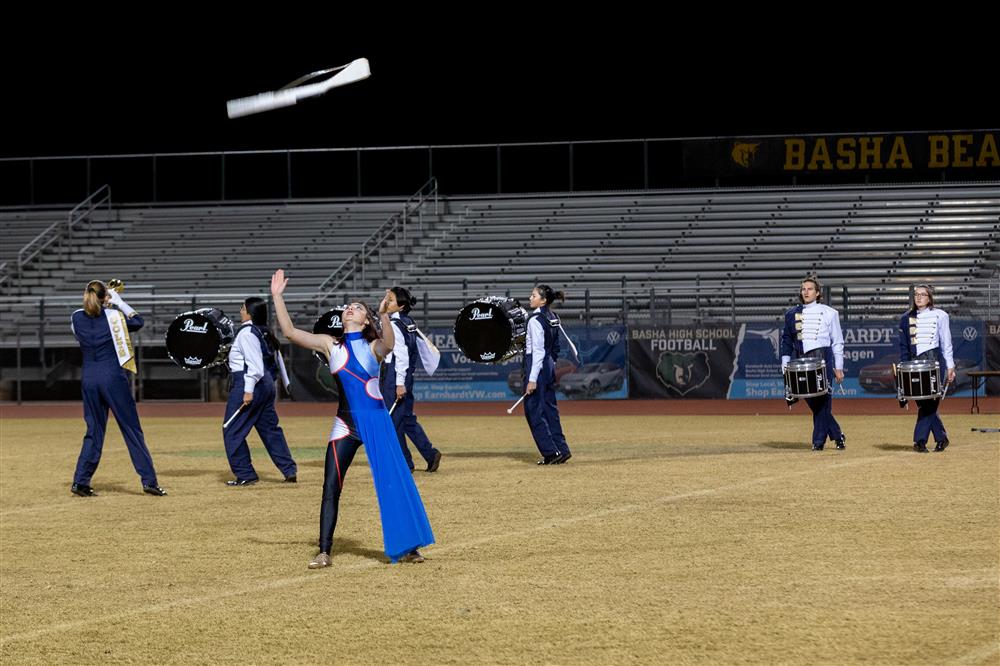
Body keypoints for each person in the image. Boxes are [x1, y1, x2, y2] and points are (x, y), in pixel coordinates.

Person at [269, 270, 434, 568]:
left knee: (393, 482)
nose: (349, 308)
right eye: (348, 306)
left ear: (365, 320)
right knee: (330, 486)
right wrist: (278, 297)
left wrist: (383, 316)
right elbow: (291, 333)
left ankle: (409, 547)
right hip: (344, 425)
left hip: (376, 422)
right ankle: (324, 552)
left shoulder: (373, 346)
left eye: (357, 307)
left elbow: (389, 345)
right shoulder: (330, 345)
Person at [70, 280, 166, 497]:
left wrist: (105, 305)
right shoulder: (115, 317)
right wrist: (120, 302)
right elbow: (138, 321)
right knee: (131, 428)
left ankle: (80, 481)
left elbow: (85, 328)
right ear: (106, 297)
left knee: (94, 430)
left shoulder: (76, 317)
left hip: (89, 377)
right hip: (112, 377)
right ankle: (149, 481)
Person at [222, 297, 298, 485]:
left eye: (242, 308)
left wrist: (247, 391)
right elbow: (277, 358)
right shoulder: (264, 331)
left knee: (232, 430)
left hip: (250, 383)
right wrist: (285, 383)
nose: (240, 311)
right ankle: (289, 469)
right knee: (270, 430)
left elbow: (254, 367)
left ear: (249, 312)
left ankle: (245, 474)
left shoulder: (247, 332)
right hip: (267, 385)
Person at [780, 276, 847, 451]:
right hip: (801, 359)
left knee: (824, 400)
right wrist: (785, 364)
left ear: (817, 293)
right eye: (803, 289)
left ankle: (818, 442)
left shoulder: (830, 312)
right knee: (812, 400)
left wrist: (838, 367)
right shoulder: (791, 314)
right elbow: (786, 341)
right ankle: (837, 434)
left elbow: (837, 341)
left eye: (810, 289)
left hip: (823, 357)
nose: (806, 292)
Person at [379, 287, 442, 473]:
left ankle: (405, 463)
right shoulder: (407, 321)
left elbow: (401, 356)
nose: (386, 302)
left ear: (401, 305)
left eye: (390, 300)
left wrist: (399, 383)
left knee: (394, 421)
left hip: (395, 374)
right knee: (406, 418)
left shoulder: (394, 325)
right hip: (405, 375)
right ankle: (430, 454)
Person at [898, 284, 955, 453]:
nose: (919, 297)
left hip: (935, 361)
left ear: (929, 297)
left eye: (923, 294)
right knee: (925, 404)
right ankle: (941, 438)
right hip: (914, 364)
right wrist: (903, 371)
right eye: (916, 294)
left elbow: (946, 342)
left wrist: (950, 366)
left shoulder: (941, 315)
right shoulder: (905, 318)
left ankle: (920, 441)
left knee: (930, 404)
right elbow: (903, 348)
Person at [523, 284, 572, 465]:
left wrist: (532, 379)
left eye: (533, 295)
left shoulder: (535, 320)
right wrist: (550, 364)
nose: (530, 298)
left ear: (543, 300)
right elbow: (555, 348)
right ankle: (562, 449)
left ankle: (551, 452)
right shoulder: (553, 317)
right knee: (550, 409)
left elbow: (537, 352)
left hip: (537, 366)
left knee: (533, 411)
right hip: (548, 365)